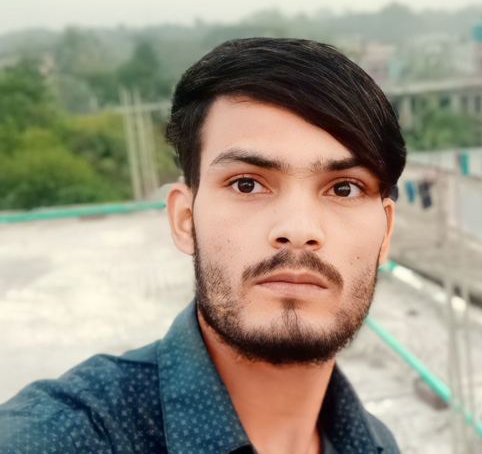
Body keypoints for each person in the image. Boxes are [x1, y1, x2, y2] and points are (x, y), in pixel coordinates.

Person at [0, 39, 406, 453]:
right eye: (246, 184)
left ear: (385, 234)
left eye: (344, 188)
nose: (298, 230)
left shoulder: (376, 445)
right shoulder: (58, 437)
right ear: (184, 219)